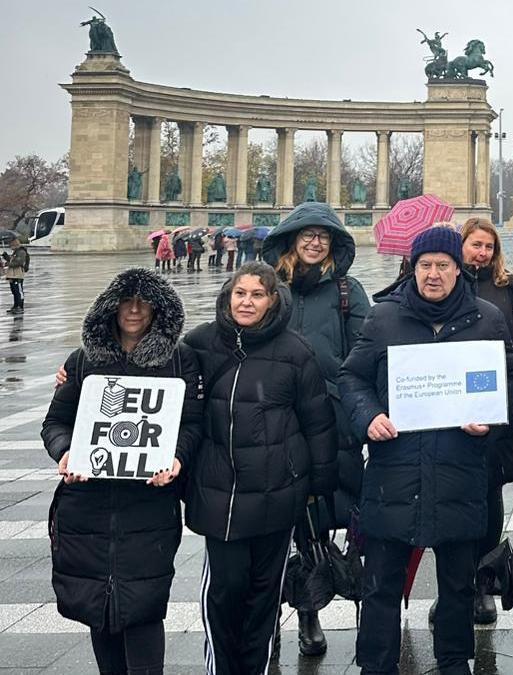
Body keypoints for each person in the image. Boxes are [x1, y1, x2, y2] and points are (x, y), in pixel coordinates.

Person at [339, 228, 513, 675]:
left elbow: (512, 376)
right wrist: (368, 415)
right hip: (395, 470)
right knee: (381, 584)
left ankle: (454, 662)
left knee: (458, 584)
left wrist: (489, 414)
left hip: (460, 469)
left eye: (443, 265)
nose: (434, 274)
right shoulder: (384, 317)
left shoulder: (485, 318)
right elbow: (352, 377)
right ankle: (376, 665)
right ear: (413, 268)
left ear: (459, 269)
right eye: (425, 265)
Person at [42, 268, 203, 675]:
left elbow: (192, 423)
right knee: (98, 608)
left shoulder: (180, 359)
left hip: (148, 502)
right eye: (125, 302)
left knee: (144, 606)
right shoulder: (82, 361)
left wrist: (178, 458)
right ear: (110, 308)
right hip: (89, 503)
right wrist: (66, 452)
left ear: (157, 309)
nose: (133, 310)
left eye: (143, 302)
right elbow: (55, 423)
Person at [178, 262, 337, 674]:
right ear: (228, 297)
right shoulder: (199, 343)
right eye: (240, 293)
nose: (247, 302)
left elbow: (317, 421)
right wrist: (79, 372)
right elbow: (154, 378)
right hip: (221, 497)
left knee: (264, 598)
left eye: (257, 294)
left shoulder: (295, 351)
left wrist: (319, 486)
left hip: (277, 496)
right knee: (224, 593)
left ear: (273, 301)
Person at [261, 202, 371, 655]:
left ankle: (310, 608)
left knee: (317, 518)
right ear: (291, 238)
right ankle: (267, 615)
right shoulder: (268, 286)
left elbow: (366, 349)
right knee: (269, 522)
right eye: (306, 234)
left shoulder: (347, 289)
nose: (314, 241)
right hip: (273, 415)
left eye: (323, 236)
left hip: (328, 415)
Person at [458, 217, 513, 624]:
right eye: (476, 244)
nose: (482, 253)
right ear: (461, 246)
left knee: (490, 497)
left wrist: (511, 391)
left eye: (489, 246)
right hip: (451, 415)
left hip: (497, 411)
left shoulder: (510, 291)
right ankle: (455, 585)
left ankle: (483, 582)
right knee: (452, 502)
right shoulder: (445, 287)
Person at [5, 237, 29, 314]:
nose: (10, 247)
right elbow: (13, 261)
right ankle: (15, 306)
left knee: (19, 291)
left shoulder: (21, 252)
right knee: (14, 291)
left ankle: (20, 306)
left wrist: (9, 264)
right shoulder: (15, 252)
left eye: (11, 245)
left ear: (14, 245)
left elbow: (19, 263)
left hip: (18, 275)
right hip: (12, 275)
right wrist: (7, 257)